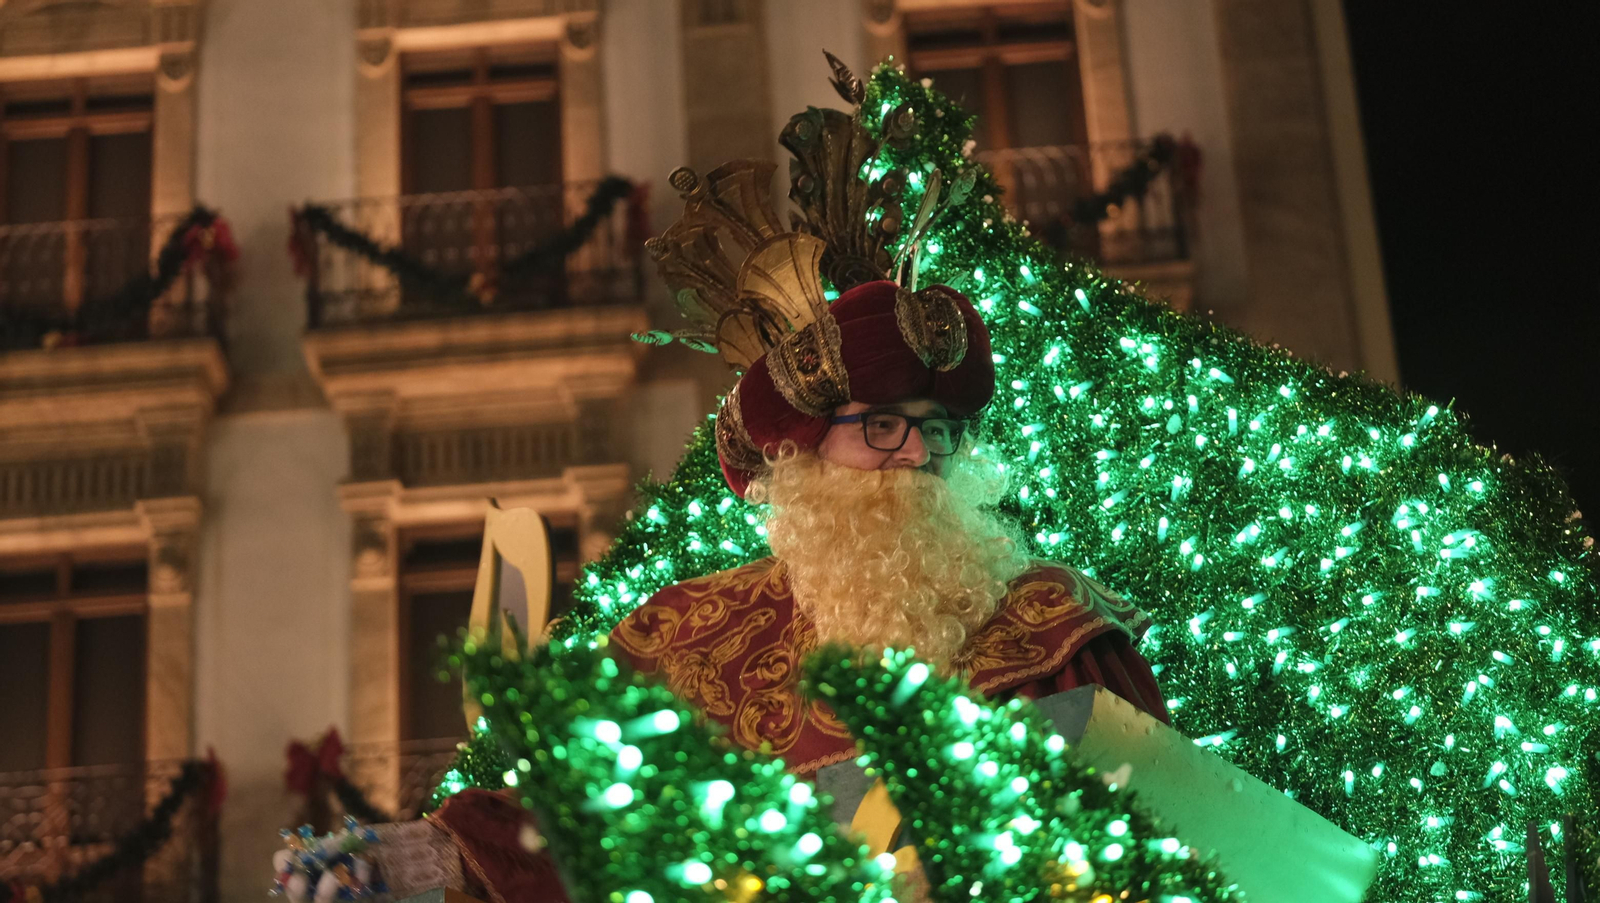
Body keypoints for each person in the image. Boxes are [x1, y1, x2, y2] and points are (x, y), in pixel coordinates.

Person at [610, 279, 1167, 776]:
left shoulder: (1056, 622)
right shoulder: (687, 638)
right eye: (881, 424)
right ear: (801, 453)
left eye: (939, 428)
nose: (920, 451)